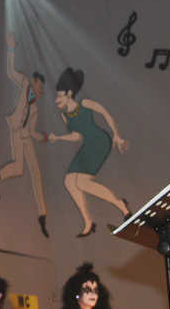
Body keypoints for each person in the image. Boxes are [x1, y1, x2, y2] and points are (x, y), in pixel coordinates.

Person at [48, 68, 130, 237]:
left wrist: (117, 135)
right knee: (69, 182)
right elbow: (77, 136)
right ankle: (88, 222)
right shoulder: (65, 115)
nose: (56, 100)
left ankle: (121, 205)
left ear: (69, 94)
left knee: (81, 183)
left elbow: (106, 114)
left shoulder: (84, 104)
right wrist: (59, 138)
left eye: (59, 96)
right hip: (87, 145)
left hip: (100, 142)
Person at [0, 34, 49, 237]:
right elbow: (10, 71)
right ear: (34, 82)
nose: (40, 91)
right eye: (39, 86)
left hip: (26, 137)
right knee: (19, 168)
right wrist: (11, 49)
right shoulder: (24, 83)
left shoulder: (36, 109)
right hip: (16, 132)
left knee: (35, 174)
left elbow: (32, 131)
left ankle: (42, 215)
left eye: (41, 89)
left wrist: (42, 137)